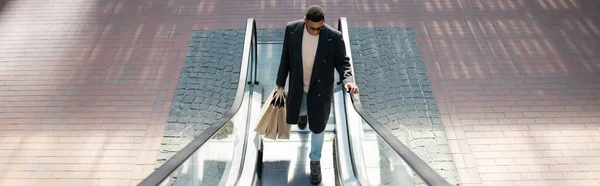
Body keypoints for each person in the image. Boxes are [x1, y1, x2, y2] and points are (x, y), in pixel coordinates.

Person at [275, 5, 360, 184]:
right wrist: (280, 83)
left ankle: (315, 161)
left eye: (319, 28)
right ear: (305, 21)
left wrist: (348, 80)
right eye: (312, 28)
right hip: (298, 86)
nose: (316, 31)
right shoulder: (292, 30)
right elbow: (285, 59)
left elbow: (343, 62)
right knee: (299, 110)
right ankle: (303, 115)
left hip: (320, 91)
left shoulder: (333, 37)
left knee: (318, 128)